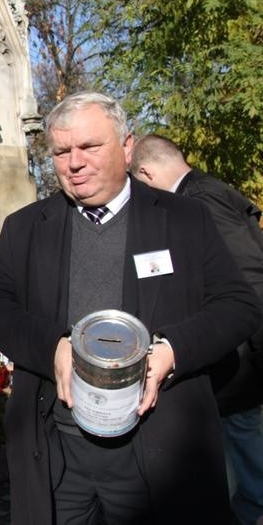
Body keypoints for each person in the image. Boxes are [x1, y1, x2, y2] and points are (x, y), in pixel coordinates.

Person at [0, 92, 261, 524]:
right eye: (62, 151)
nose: (74, 163)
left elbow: (238, 306)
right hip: (59, 453)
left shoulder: (184, 219)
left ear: (127, 147)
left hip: (160, 450)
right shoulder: (27, 228)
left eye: (89, 147)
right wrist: (52, 347)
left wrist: (171, 352)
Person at [130, 133, 263, 525]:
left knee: (246, 467)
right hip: (239, 360)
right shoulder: (210, 192)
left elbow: (249, 278)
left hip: (240, 363)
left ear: (144, 172)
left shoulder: (197, 203)